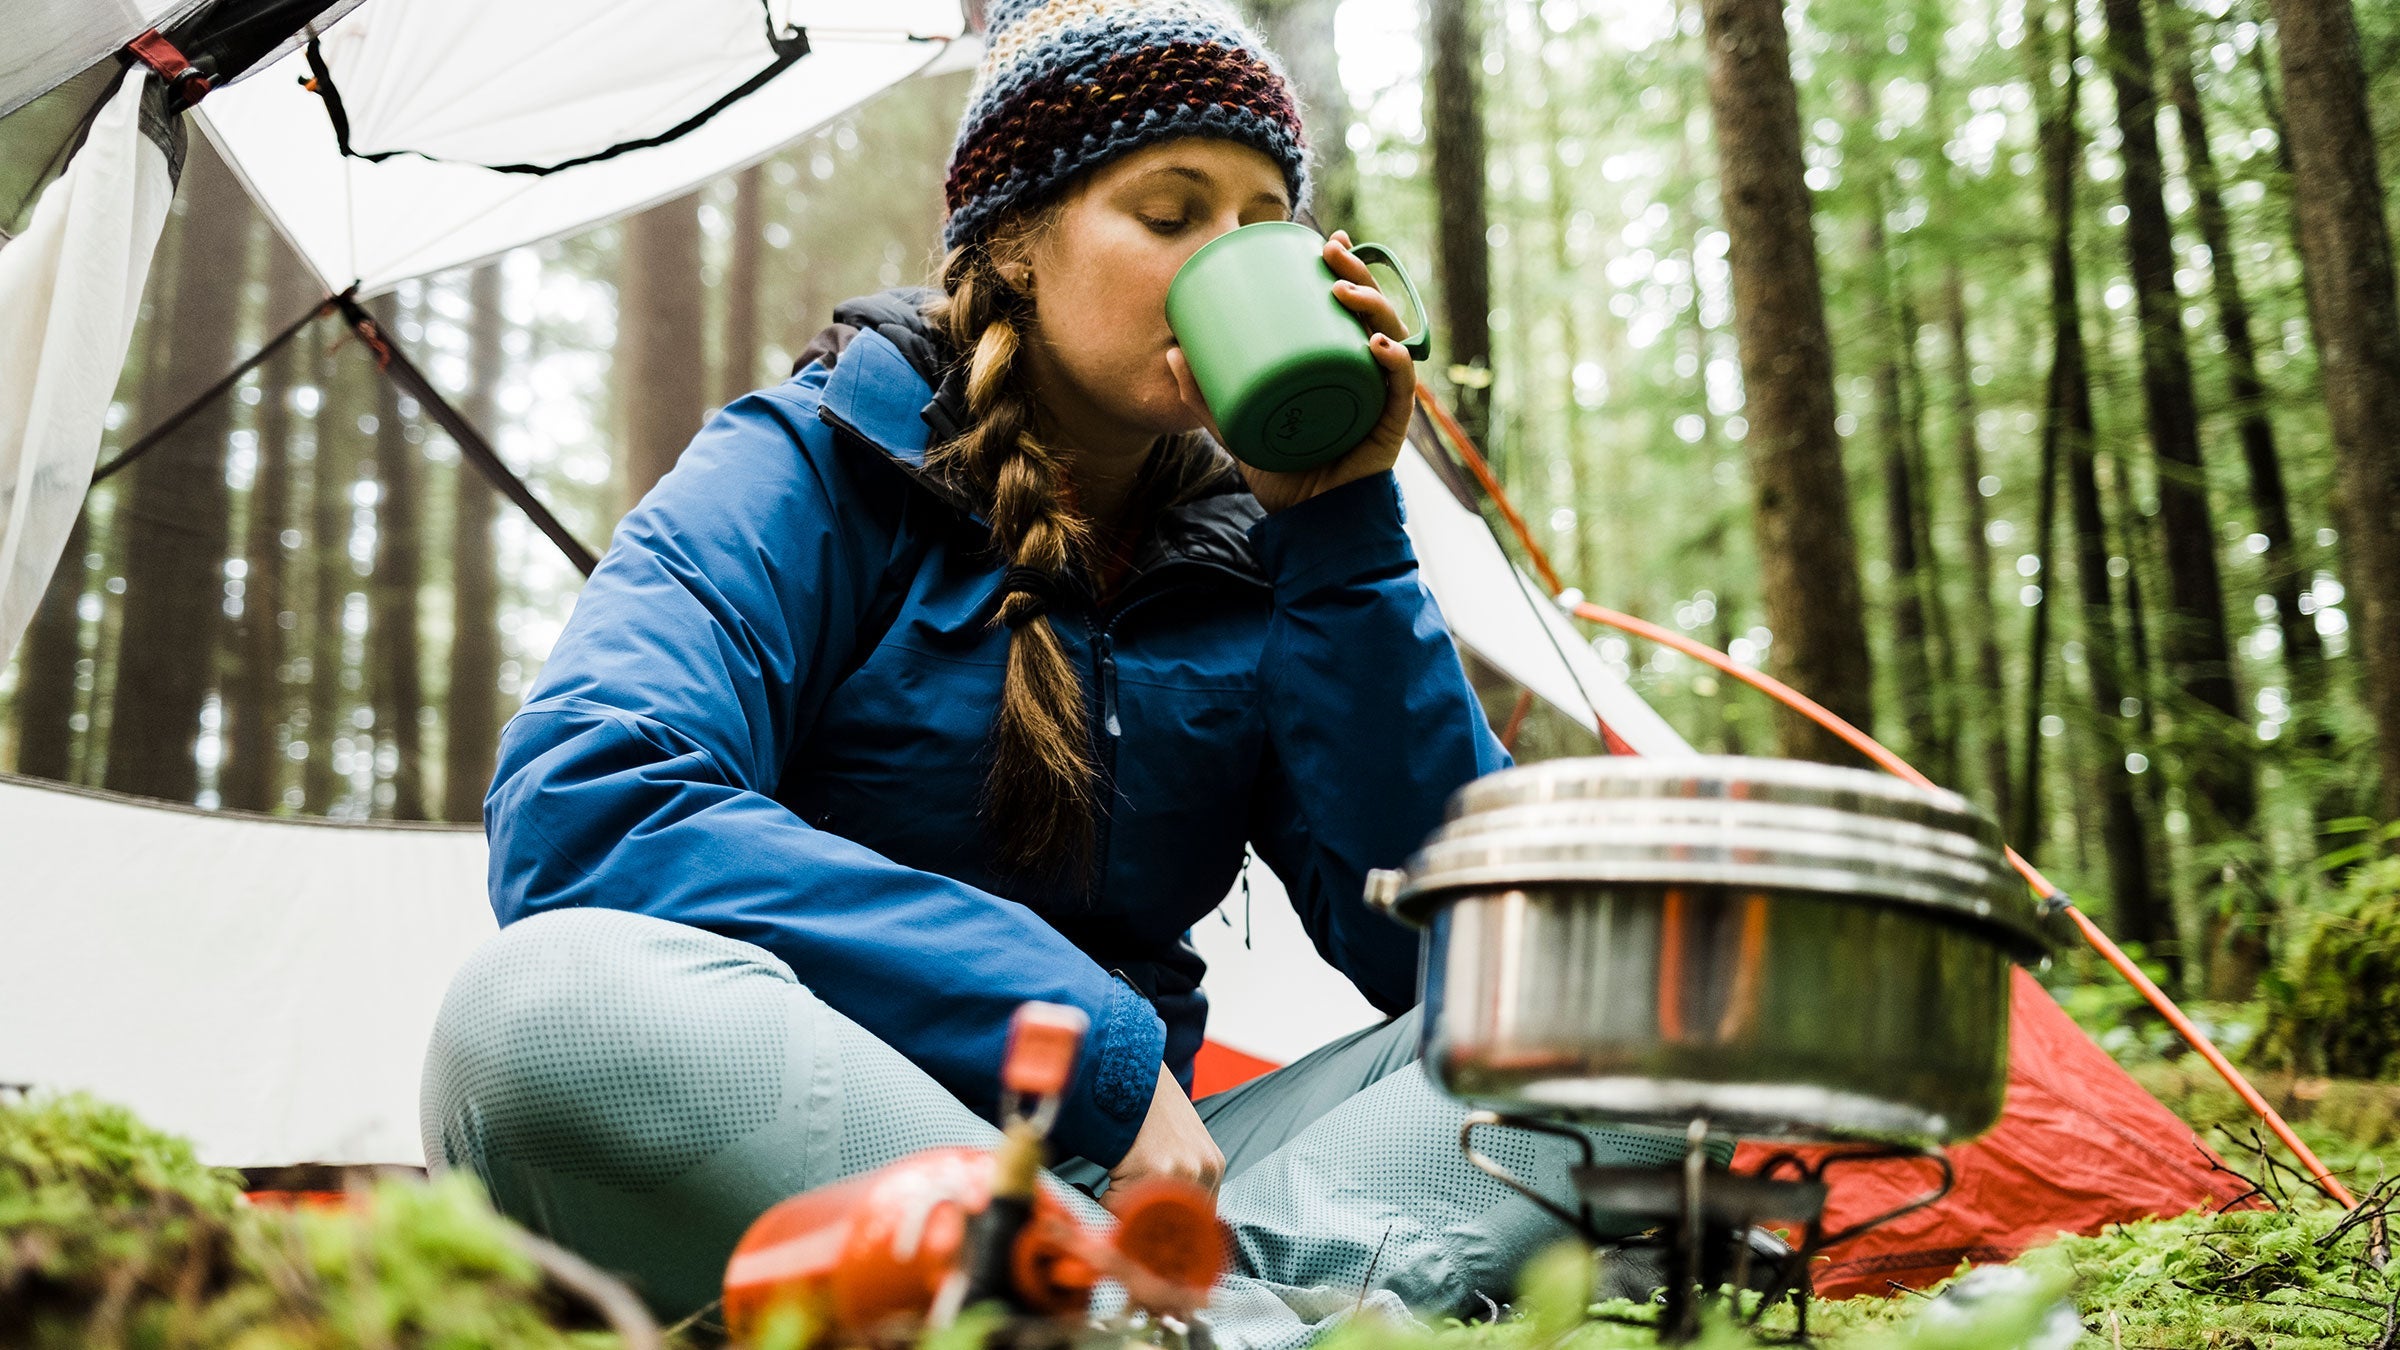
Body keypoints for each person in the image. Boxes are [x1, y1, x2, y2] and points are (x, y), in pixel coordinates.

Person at [420, 1, 1686, 1342]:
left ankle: (1154, 1316)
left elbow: (1449, 958)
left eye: (1266, 227)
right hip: (814, 1142)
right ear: (1015, 242)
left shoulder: (1267, 553)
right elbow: (587, 802)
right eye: (1172, 211)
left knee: (1624, 1029)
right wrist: (1084, 1042)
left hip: (1181, 1199)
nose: (1232, 259)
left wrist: (1346, 538)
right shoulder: (810, 465)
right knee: (534, 1011)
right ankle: (1202, 1313)